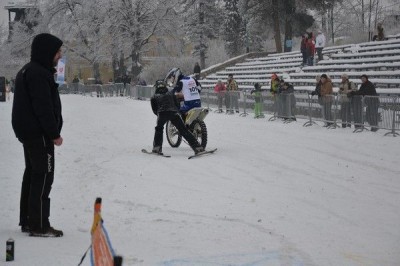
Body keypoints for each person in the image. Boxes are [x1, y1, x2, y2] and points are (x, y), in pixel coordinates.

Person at [11, 33, 64, 237]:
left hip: (30, 134)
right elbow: (43, 108)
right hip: (40, 135)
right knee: (43, 177)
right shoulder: (38, 74)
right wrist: (54, 133)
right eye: (57, 52)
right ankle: (39, 224)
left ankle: (28, 220)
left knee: (33, 175)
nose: (60, 55)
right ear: (47, 52)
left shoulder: (29, 70)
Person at [150, 80, 204, 155]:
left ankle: (157, 148)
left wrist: (160, 115)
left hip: (162, 113)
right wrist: (175, 111)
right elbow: (177, 104)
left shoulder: (154, 97)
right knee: (184, 130)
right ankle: (198, 147)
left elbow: (154, 109)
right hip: (174, 113)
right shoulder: (171, 94)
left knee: (159, 129)